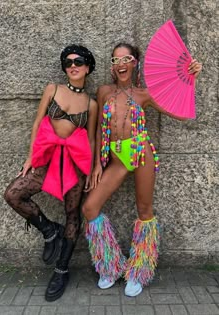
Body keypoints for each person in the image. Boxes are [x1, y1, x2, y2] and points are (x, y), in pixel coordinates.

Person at [82, 42, 202, 297]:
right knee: (90, 207)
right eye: (116, 61)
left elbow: (181, 113)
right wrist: (96, 165)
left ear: (135, 63)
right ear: (113, 67)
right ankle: (110, 266)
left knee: (145, 211)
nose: (121, 64)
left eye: (126, 59)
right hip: (115, 158)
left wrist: (191, 80)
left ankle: (138, 272)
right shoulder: (104, 92)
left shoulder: (144, 95)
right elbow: (98, 131)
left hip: (140, 153)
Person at [4, 44, 97, 301]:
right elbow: (37, 122)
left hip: (74, 164)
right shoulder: (52, 89)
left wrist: (89, 170)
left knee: (72, 215)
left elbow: (90, 140)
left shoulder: (91, 104)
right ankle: (49, 230)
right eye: (68, 63)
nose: (73, 66)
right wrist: (29, 158)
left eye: (78, 61)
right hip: (46, 159)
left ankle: (61, 269)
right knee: (13, 194)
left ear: (88, 66)